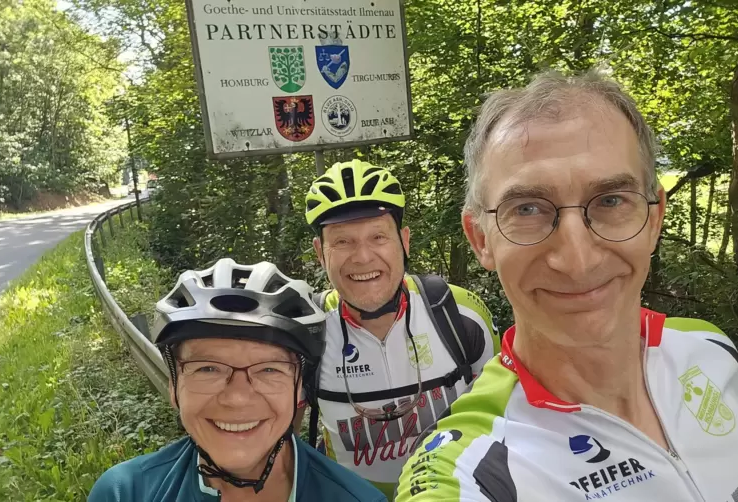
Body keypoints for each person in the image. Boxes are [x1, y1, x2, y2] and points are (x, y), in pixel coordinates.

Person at [395, 70, 738, 501]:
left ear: (653, 219)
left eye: (612, 200)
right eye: (528, 208)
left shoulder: (711, 348)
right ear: (481, 239)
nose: (578, 260)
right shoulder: (468, 469)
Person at [88, 259, 387, 502]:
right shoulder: (124, 493)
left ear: (300, 389)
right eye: (207, 369)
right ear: (174, 385)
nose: (237, 398)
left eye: (269, 369)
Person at [299, 159, 501, 500]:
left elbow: (508, 418)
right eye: (343, 242)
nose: (363, 257)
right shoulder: (306, 332)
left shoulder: (459, 313)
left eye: (378, 236)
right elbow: (278, 446)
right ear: (321, 253)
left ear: (404, 241)